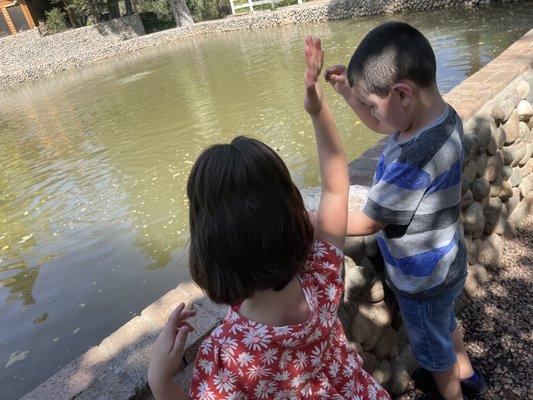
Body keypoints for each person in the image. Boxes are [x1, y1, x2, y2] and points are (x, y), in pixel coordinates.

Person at [147, 36, 391, 400]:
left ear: (210, 250)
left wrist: (161, 382)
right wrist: (317, 106)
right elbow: (336, 187)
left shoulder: (227, 354)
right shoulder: (321, 277)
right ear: (292, 217)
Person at [324, 22, 486, 400]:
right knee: (446, 325)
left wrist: (318, 223)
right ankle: (470, 377)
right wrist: (351, 94)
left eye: (373, 104)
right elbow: (384, 121)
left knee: (434, 353)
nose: (372, 114)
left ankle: (454, 392)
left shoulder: (415, 158)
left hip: (421, 279)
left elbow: (367, 220)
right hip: (448, 261)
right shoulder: (443, 118)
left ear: (402, 93)